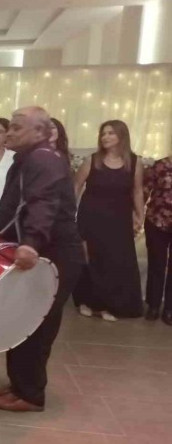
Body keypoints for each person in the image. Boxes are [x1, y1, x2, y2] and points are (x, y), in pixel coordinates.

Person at [0, 106, 84, 412]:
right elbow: (14, 208)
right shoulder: (27, 158)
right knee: (21, 320)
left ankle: (30, 394)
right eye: (10, 126)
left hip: (53, 253)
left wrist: (31, 243)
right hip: (41, 250)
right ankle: (19, 384)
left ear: (40, 132)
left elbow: (43, 203)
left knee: (36, 326)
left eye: (16, 127)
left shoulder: (43, 159)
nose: (9, 132)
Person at [73, 120, 144, 321]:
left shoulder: (134, 162)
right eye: (103, 133)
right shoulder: (92, 160)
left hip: (119, 220)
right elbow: (76, 186)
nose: (105, 137)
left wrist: (140, 215)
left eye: (110, 133)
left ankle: (108, 305)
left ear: (122, 136)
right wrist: (70, 213)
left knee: (115, 262)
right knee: (92, 260)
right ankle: (86, 302)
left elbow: (137, 191)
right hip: (91, 217)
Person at [143, 155, 172, 324]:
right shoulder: (160, 165)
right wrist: (135, 214)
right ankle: (153, 305)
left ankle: (169, 309)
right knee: (156, 264)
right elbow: (145, 190)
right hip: (156, 220)